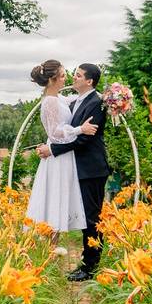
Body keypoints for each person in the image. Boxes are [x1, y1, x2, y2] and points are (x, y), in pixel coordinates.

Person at [38, 63, 110, 281]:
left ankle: (90, 267)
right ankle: (88, 262)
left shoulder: (96, 103)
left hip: (92, 168)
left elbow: (84, 139)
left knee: (91, 219)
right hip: (80, 168)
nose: (73, 77)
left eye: (78, 75)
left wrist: (52, 149)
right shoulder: (77, 100)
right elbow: (61, 127)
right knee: (87, 217)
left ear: (89, 81)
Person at [25, 60, 98, 250]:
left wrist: (110, 97)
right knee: (53, 200)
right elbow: (55, 133)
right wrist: (80, 129)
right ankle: (49, 251)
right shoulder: (49, 102)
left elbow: (78, 100)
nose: (67, 78)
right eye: (64, 75)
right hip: (57, 159)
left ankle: (51, 251)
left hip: (64, 157)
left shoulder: (57, 99)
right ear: (52, 79)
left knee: (58, 200)